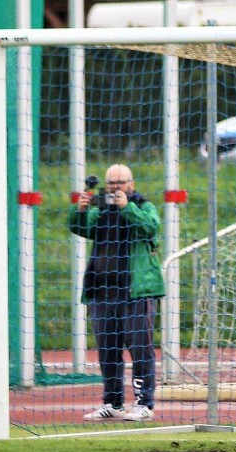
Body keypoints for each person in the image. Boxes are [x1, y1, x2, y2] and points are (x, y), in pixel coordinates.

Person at [69, 164, 165, 422]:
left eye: (121, 183)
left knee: (140, 349)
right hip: (102, 291)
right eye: (111, 183)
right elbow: (79, 227)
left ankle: (144, 404)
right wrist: (80, 209)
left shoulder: (143, 205)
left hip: (135, 292)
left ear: (131, 184)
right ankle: (112, 403)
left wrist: (127, 207)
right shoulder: (100, 210)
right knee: (107, 350)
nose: (115, 188)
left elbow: (150, 227)